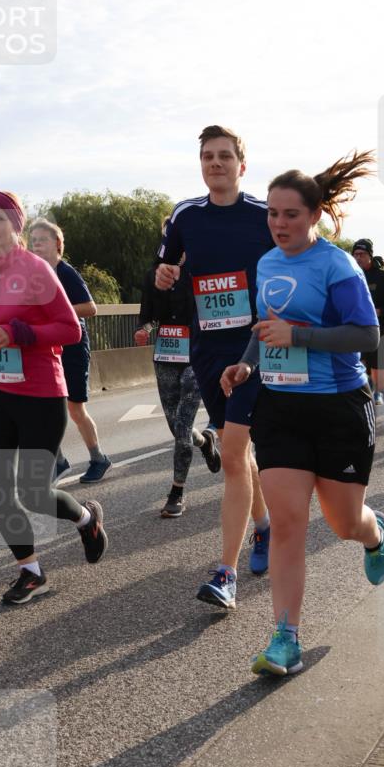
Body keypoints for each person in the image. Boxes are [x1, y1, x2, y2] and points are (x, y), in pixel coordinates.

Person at [220, 153, 384, 678]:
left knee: (343, 524)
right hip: (281, 408)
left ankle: (373, 534)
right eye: (272, 213)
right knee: (289, 522)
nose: (279, 223)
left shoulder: (337, 266)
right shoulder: (267, 264)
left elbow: (367, 335)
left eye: (291, 214)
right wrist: (247, 364)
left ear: (314, 215)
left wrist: (299, 336)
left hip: (339, 407)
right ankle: (285, 638)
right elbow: (265, 327)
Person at [0, 191, 108, 605]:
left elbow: (70, 329)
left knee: (33, 493)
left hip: (41, 394)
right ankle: (31, 572)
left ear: (17, 226)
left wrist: (19, 332)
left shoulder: (36, 270)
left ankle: (86, 518)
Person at [155, 125, 274, 609]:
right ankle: (263, 527)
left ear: (241, 165)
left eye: (225, 156)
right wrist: (165, 275)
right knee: (235, 450)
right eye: (208, 156)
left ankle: (226, 573)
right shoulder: (185, 216)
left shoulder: (264, 215)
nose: (216, 163)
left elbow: (297, 258)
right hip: (206, 348)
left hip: (254, 347)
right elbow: (165, 269)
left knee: (234, 455)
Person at [135, 249, 221, 517]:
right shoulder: (153, 275)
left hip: (196, 355)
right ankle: (205, 443)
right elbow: (148, 315)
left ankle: (177, 491)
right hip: (165, 356)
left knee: (183, 424)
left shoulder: (201, 271)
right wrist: (143, 329)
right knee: (176, 427)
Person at [29, 219, 112, 483]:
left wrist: (57, 312)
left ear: (57, 244)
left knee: (75, 409)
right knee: (43, 408)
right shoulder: (35, 276)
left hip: (73, 347)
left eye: (42, 240)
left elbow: (90, 307)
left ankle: (99, 458)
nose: (36, 245)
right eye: (33, 241)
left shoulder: (66, 272)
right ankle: (58, 461)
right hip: (47, 348)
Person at [352, 239, 384, 419]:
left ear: (370, 256)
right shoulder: (349, 276)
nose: (358, 258)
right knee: (360, 374)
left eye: (362, 254)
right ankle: (365, 411)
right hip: (356, 332)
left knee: (379, 379)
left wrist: (379, 311)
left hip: (381, 332)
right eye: (355, 254)